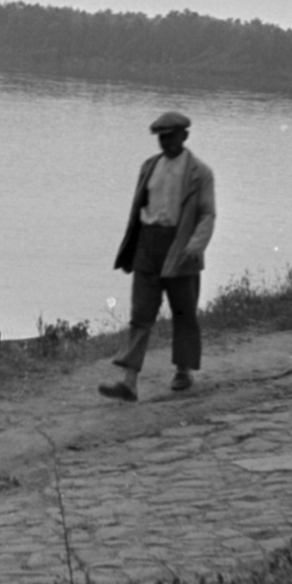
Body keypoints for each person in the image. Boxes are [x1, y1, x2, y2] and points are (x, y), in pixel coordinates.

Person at [99, 110, 216, 402]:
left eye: (171, 136)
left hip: (181, 247)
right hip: (148, 247)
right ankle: (129, 382)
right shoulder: (149, 167)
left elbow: (207, 214)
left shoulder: (200, 172)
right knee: (141, 315)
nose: (166, 142)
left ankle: (183, 370)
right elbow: (139, 210)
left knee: (184, 312)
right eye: (161, 137)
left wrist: (195, 246)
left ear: (185, 136)